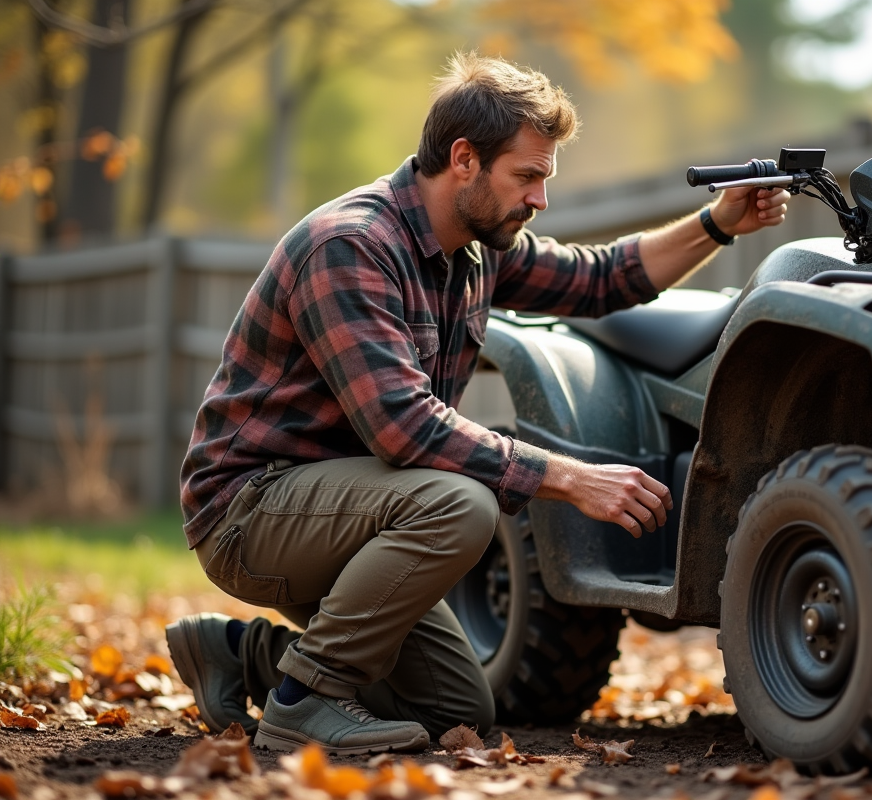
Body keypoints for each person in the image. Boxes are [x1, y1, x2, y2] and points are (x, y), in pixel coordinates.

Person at [168, 51, 786, 756]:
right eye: (527, 176)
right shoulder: (350, 246)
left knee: (458, 705)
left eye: (544, 179)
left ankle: (241, 656)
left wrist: (716, 223)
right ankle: (304, 703)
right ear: (464, 159)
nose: (539, 199)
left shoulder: (476, 249)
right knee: (461, 504)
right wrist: (573, 479)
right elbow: (402, 428)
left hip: (352, 512)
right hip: (251, 511)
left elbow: (603, 281)